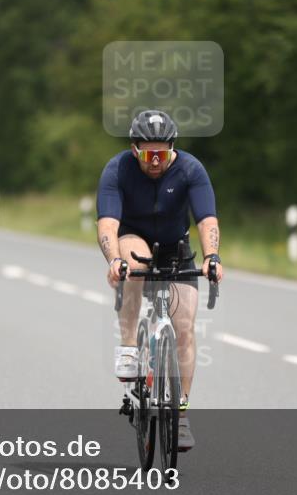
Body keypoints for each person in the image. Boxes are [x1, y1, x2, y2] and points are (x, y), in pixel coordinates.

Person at [96, 109, 223, 451]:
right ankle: (128, 343)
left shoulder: (190, 169)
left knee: (184, 329)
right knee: (136, 265)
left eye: (162, 153)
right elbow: (107, 223)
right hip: (133, 238)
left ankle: (180, 415)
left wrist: (211, 256)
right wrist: (115, 261)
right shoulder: (118, 169)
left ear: (172, 149)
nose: (155, 161)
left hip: (175, 246)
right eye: (148, 154)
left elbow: (207, 219)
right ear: (135, 149)